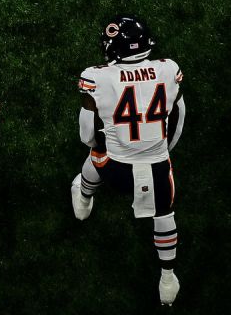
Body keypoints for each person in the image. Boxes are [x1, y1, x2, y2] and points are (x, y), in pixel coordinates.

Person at [71, 16, 185, 305]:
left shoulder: (96, 77)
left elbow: (87, 132)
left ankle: (84, 197)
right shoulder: (168, 69)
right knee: (165, 214)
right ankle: (168, 278)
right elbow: (179, 115)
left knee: (96, 153)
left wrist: (98, 143)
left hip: (116, 172)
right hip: (158, 170)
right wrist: (165, 147)